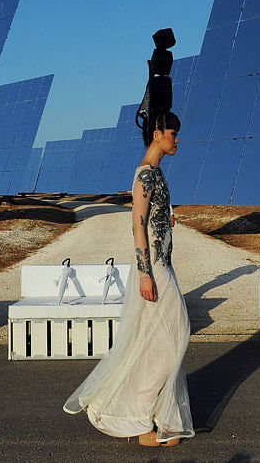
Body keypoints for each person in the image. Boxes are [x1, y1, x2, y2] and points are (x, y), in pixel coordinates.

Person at [63, 110, 194, 447]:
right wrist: (144, 274)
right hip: (154, 270)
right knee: (173, 337)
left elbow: (150, 219)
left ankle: (148, 417)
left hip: (164, 265)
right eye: (172, 133)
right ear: (156, 134)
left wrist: (166, 222)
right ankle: (137, 417)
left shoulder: (157, 175)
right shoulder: (146, 175)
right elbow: (136, 224)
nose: (176, 139)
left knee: (158, 342)